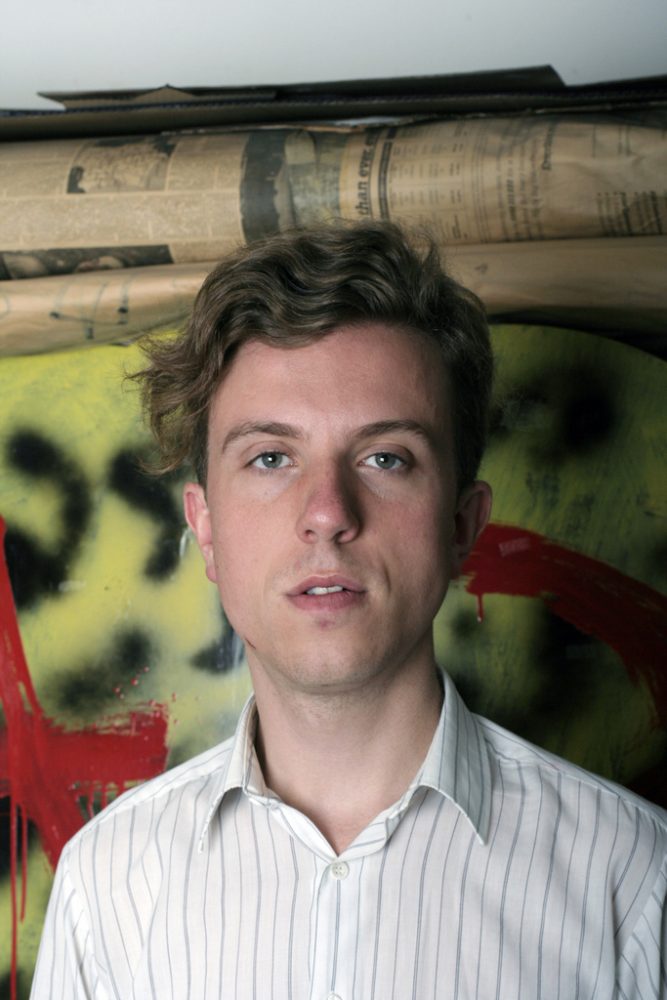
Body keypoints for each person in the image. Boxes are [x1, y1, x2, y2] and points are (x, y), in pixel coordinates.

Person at [31, 222, 666, 999]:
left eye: (384, 457)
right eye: (270, 457)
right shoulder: (107, 888)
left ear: (463, 523)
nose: (327, 513)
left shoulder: (631, 879)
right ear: (204, 526)